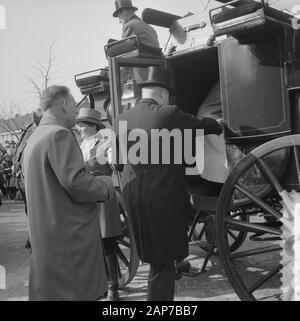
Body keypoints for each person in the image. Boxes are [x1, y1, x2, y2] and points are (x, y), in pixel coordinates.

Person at [113, 66, 223, 301]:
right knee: (160, 264)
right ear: (163, 94)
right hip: (161, 196)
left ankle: (175, 265)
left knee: (156, 255)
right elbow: (203, 123)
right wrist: (219, 125)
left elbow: (118, 163)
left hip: (132, 193)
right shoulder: (168, 112)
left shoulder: (120, 118)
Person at [23, 85, 115, 301]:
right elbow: (77, 184)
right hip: (70, 241)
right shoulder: (59, 135)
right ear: (63, 105)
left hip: (48, 240)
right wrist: (105, 186)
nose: (76, 111)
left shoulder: (35, 138)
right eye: (74, 106)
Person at [76, 107, 122, 301]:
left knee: (105, 239)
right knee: (92, 240)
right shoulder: (79, 146)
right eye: (78, 125)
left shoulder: (105, 143)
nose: (79, 128)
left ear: (93, 126)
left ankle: (113, 286)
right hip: (87, 195)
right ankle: (102, 282)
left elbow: (116, 166)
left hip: (104, 193)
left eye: (82, 125)